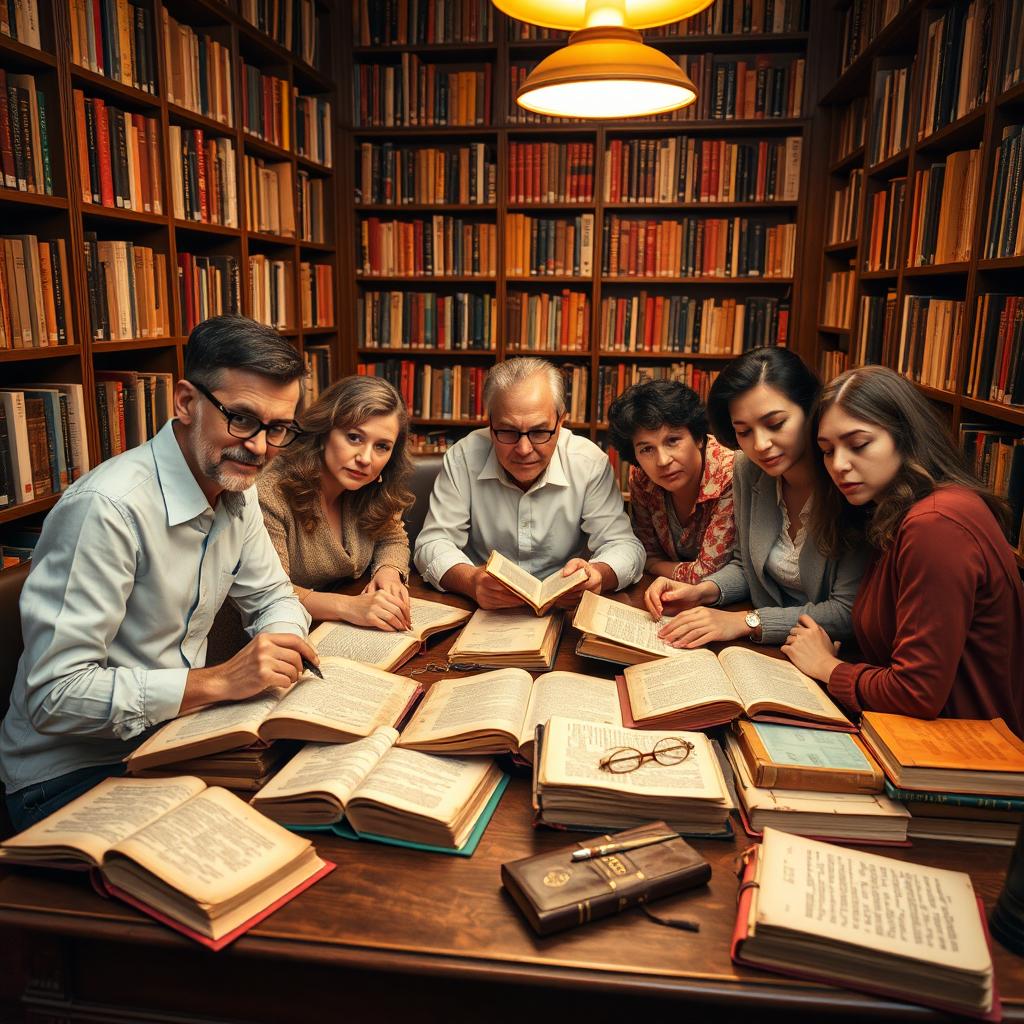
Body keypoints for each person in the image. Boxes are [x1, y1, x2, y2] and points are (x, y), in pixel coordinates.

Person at [0, 316, 318, 830]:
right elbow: (53, 695)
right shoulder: (106, 509)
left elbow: (273, 596)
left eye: (277, 428)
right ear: (187, 402)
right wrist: (216, 682)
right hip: (67, 776)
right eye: (241, 418)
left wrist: (281, 645)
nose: (259, 446)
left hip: (170, 741)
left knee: (317, 810)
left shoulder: (236, 483)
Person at [781, 365, 1024, 734]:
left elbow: (917, 692)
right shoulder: (897, 513)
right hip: (919, 734)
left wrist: (829, 668)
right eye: (827, 451)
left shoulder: (935, 524)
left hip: (966, 754)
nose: (840, 465)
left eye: (859, 444)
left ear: (905, 437)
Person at [644, 347, 864, 648]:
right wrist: (702, 591)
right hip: (769, 649)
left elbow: (846, 611)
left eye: (775, 424)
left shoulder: (848, 478)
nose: (760, 445)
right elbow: (746, 565)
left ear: (811, 409)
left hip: (829, 652)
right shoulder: (748, 469)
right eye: (744, 431)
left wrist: (745, 621)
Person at [413, 356, 645, 608]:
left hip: (562, 608)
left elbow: (623, 545)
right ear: (489, 425)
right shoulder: (462, 457)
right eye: (508, 432)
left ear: (561, 422)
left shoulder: (589, 462)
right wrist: (471, 581)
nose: (524, 449)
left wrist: (598, 574)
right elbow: (432, 543)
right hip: (481, 607)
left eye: (539, 432)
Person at [257, 375, 414, 632]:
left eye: (382, 446)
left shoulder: (372, 488)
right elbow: (270, 591)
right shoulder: (272, 492)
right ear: (324, 432)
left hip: (331, 632)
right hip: (262, 640)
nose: (365, 458)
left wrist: (388, 572)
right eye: (354, 437)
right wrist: (350, 607)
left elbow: (393, 538)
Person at [606, 378, 735, 584]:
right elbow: (645, 554)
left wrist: (654, 566)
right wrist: (650, 563)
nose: (663, 461)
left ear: (699, 437)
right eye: (646, 449)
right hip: (666, 597)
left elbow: (706, 573)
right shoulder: (642, 478)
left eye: (672, 441)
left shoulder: (729, 473)